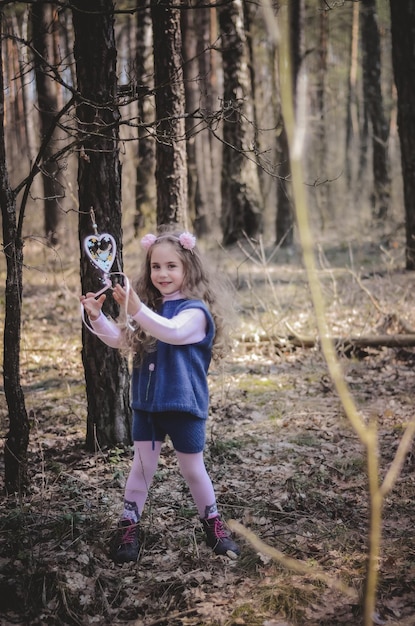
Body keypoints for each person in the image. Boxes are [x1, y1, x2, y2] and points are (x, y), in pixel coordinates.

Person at [80, 227, 240, 563]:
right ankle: (128, 526)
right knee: (140, 468)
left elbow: (174, 332)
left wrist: (136, 310)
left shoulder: (196, 311)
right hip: (147, 406)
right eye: (156, 267)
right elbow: (123, 340)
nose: (163, 274)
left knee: (194, 470)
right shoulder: (147, 308)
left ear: (188, 270)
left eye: (172, 266)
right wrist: (97, 317)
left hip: (183, 405)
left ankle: (213, 524)